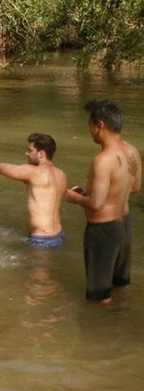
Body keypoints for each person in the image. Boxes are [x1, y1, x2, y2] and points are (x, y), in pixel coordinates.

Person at [65, 98, 141, 303]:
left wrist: (70, 196)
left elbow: (96, 204)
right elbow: (134, 187)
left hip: (103, 231)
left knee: (99, 298)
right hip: (124, 226)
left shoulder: (102, 160)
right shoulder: (132, 152)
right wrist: (89, 190)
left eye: (90, 125)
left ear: (100, 125)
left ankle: (97, 330)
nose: (89, 130)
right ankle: (119, 325)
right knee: (120, 286)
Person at [0, 133, 68, 249]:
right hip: (58, 236)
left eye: (30, 150)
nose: (26, 153)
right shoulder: (61, 175)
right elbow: (65, 195)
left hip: (42, 239)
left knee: (38, 267)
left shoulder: (33, 172)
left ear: (41, 154)